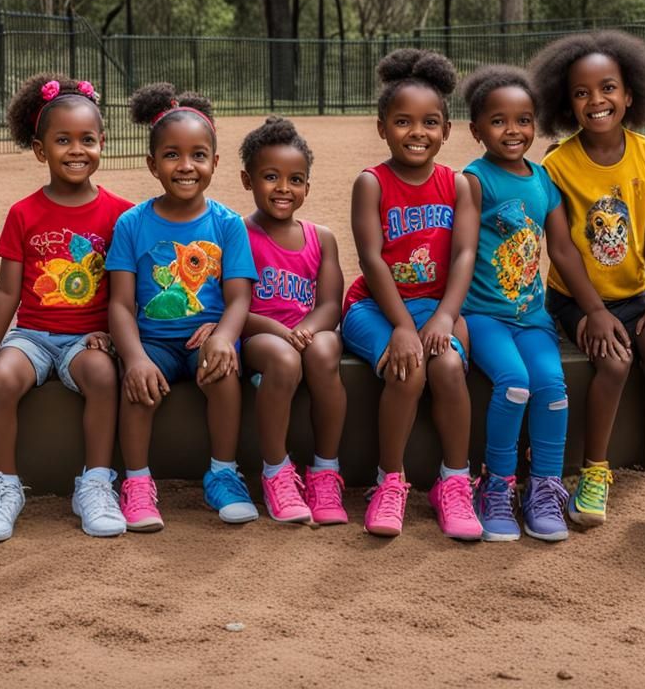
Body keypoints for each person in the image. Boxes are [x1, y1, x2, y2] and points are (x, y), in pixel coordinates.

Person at [530, 30, 645, 530]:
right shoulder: (558, 164)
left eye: (608, 88)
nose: (596, 100)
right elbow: (560, 249)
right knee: (613, 361)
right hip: (576, 300)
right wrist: (594, 311)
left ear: (631, 95)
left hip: (636, 296)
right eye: (581, 92)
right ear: (567, 104)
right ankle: (594, 471)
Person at [459, 65, 631, 543]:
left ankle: (545, 488)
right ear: (476, 130)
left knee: (552, 387)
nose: (512, 131)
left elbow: (562, 250)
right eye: (498, 121)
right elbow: (464, 252)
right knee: (514, 384)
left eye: (523, 120)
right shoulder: (474, 181)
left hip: (532, 318)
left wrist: (595, 309)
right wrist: (451, 312)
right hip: (485, 315)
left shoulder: (542, 180)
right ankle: (496, 486)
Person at [0, 74, 132, 542]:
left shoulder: (122, 214)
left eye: (88, 140)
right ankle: (4, 487)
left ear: (102, 144)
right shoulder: (23, 213)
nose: (77, 150)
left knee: (102, 376)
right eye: (63, 140)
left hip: (88, 338)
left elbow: (125, 292)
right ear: (40, 150)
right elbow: (5, 293)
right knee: (3, 379)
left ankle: (95, 484)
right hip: (32, 334)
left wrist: (115, 339)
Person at [342, 48, 482, 540]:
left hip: (435, 307)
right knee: (408, 367)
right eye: (403, 121)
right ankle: (390, 480)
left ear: (446, 130)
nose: (417, 132)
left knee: (445, 367)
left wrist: (445, 317)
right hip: (374, 307)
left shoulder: (458, 184)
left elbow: (464, 254)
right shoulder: (371, 183)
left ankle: (455, 482)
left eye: (430, 122)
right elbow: (371, 259)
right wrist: (402, 326)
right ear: (382, 127)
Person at [105, 85, 258, 531]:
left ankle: (223, 473)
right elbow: (119, 303)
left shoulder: (227, 224)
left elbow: (239, 298)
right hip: (152, 341)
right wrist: (133, 358)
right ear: (153, 164)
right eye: (172, 154)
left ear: (214, 162)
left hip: (205, 339)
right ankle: (136, 482)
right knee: (138, 384)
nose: (186, 165)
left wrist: (226, 336)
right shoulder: (132, 223)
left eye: (198, 154)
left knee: (224, 371)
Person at [239, 116, 348, 524]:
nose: (284, 188)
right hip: (261, 333)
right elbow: (235, 306)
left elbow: (330, 304)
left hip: (310, 331)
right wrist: (280, 331)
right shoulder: (238, 233)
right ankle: (276, 472)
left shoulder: (321, 237)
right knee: (282, 358)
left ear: (307, 185)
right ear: (248, 180)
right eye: (271, 177)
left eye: (296, 179)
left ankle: (325, 470)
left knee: (323, 352)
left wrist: (307, 327)